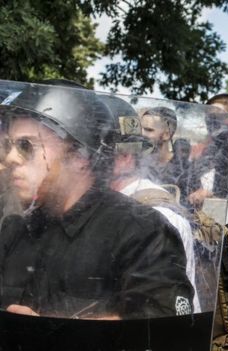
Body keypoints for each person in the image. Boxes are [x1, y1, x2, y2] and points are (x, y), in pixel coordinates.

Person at [0, 83, 193, 319]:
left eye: (26, 145)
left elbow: (165, 331)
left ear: (78, 155)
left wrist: (54, 333)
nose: (11, 158)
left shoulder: (141, 232)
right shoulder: (16, 229)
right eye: (9, 145)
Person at [101, 94, 201, 312]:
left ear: (124, 157)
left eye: (88, 150)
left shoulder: (159, 218)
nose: (79, 160)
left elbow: (178, 314)